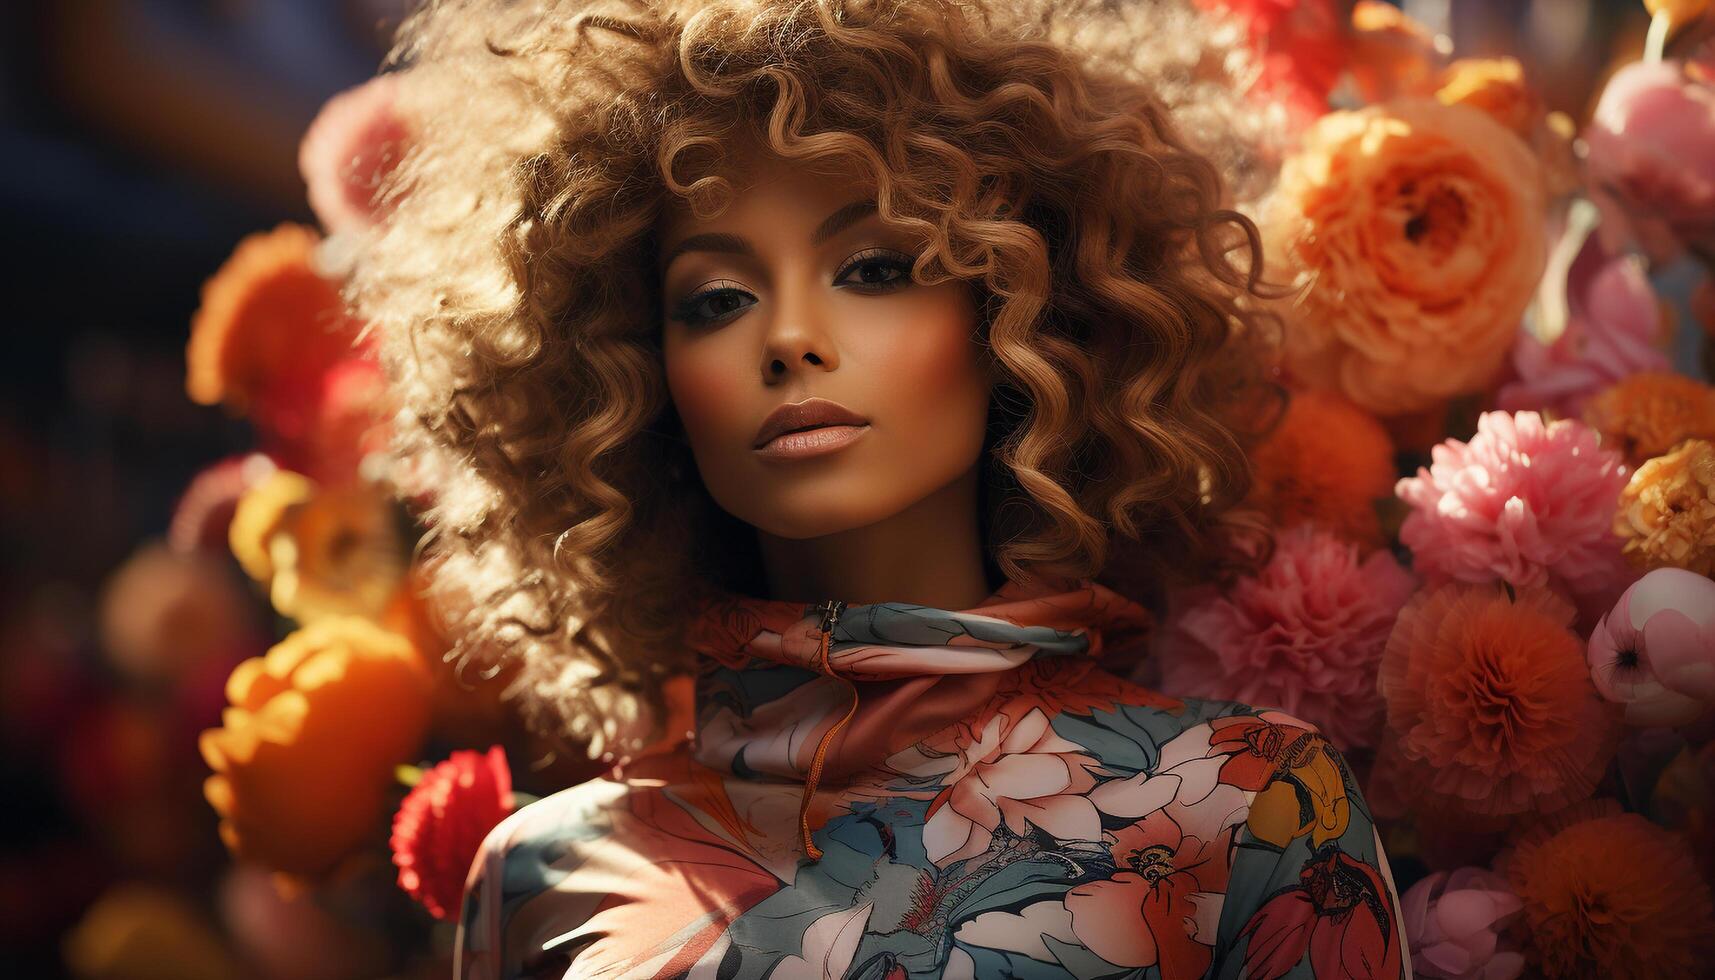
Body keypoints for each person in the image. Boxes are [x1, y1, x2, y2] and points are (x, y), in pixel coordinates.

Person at [339, 0, 1410, 976]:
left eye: (874, 269)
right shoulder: (543, 877)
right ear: (634, 368)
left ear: (1014, 307)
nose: (792, 338)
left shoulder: (1247, 808)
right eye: (715, 298)